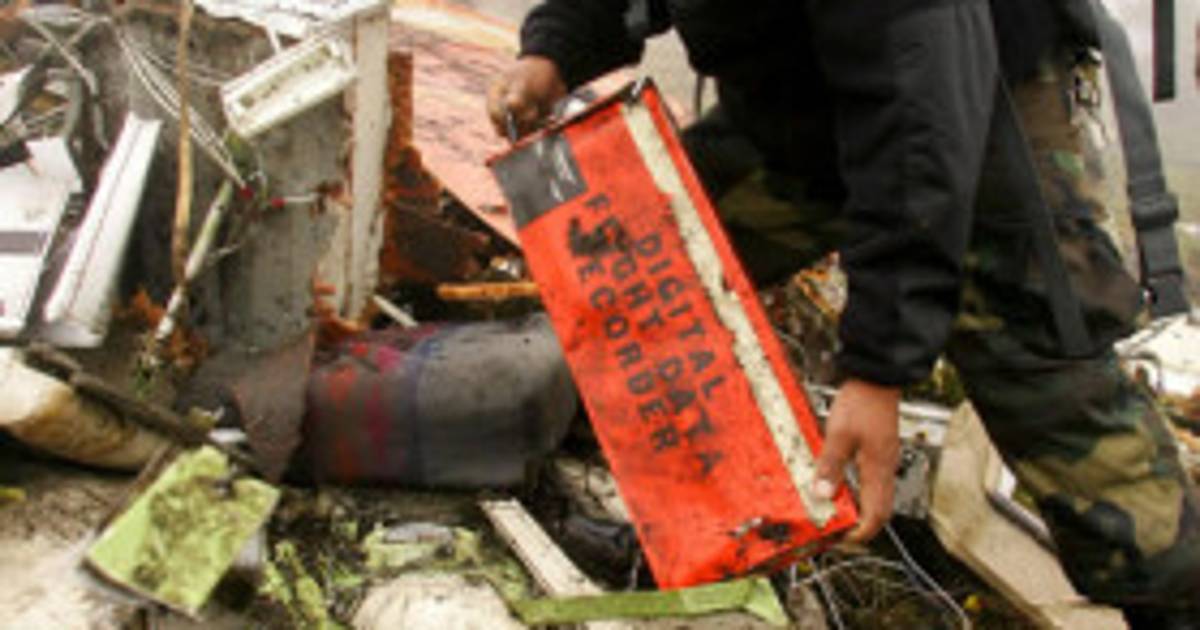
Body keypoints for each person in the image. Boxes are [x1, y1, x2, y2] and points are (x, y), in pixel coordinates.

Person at [487, 1, 1200, 625]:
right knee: (645, 263)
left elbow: (920, 112)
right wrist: (554, 48)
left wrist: (877, 370)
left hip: (970, 111)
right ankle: (704, 538)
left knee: (1050, 391)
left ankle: (1176, 601)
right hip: (797, 103)